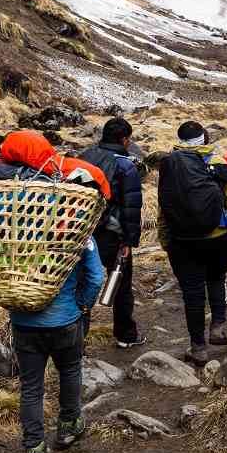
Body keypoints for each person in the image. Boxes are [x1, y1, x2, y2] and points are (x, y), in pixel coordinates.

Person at [10, 230, 105, 453]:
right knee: (70, 370)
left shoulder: (12, 228)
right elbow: (95, 277)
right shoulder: (78, 224)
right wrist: (82, 305)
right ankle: (68, 426)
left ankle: (34, 449)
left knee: (31, 386)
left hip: (24, 322)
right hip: (65, 319)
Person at [157, 121, 227, 366]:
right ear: (203, 140)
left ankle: (198, 347)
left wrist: (165, 239)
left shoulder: (170, 165)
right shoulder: (218, 164)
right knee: (216, 279)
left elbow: (163, 207)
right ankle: (218, 326)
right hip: (217, 237)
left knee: (192, 294)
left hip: (182, 241)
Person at [77, 117, 145, 348]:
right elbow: (131, 207)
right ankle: (126, 335)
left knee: (80, 284)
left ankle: (77, 340)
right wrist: (129, 241)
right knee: (121, 286)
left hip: (80, 231)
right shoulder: (126, 166)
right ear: (125, 140)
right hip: (112, 235)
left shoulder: (84, 156)